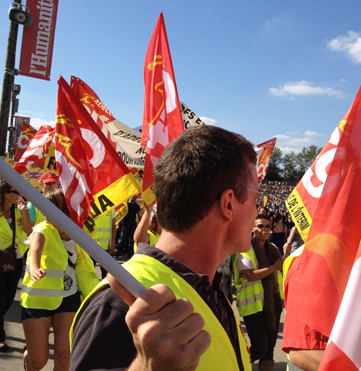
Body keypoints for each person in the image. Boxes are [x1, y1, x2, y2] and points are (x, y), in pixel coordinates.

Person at [70, 125, 259, 370]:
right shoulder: (120, 303)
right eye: (256, 197)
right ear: (229, 204)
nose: (257, 211)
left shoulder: (208, 288)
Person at [21, 188, 98, 371]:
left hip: (69, 298)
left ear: (63, 210)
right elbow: (35, 252)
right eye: (43, 208)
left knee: (64, 356)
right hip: (38, 300)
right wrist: (34, 269)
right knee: (38, 361)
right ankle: (29, 355)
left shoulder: (79, 232)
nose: (44, 212)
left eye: (49, 208)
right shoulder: (42, 229)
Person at [234, 214, 284, 371]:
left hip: (273, 304)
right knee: (259, 347)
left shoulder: (274, 249)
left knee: (269, 350)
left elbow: (281, 269)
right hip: (253, 307)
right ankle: (235, 365)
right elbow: (250, 275)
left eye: (268, 226)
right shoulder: (246, 248)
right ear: (252, 229)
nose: (265, 229)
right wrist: (274, 267)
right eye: (260, 226)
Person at [0, 181, 31, 353]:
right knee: (1, 299)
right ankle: (0, 338)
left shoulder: (17, 211)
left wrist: (24, 213)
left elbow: (28, 231)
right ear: (5, 194)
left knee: (9, 299)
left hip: (16, 259)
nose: (19, 193)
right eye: (15, 191)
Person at [91, 210, 116, 279]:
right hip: (89, 246)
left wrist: (112, 243)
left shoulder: (110, 208)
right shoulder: (88, 204)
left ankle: (105, 289)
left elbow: (113, 226)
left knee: (107, 276)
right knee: (89, 274)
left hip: (106, 247)